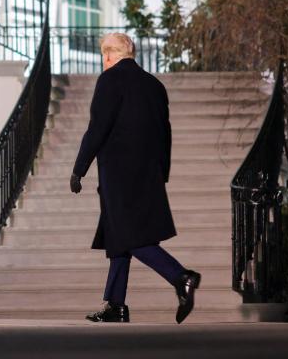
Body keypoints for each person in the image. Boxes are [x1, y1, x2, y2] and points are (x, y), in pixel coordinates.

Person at [70, 33, 201, 324]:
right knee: (118, 235)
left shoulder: (110, 80)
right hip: (148, 173)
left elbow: (97, 128)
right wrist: (162, 172)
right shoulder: (155, 85)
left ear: (107, 56)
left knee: (130, 236)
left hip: (118, 173)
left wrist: (79, 168)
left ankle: (181, 277)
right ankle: (116, 306)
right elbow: (165, 132)